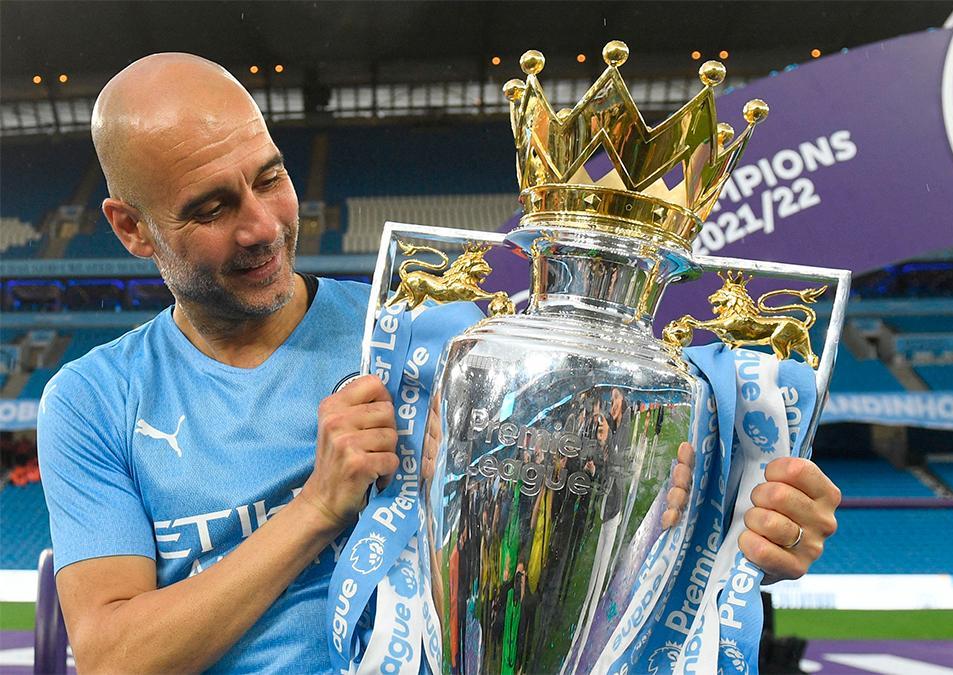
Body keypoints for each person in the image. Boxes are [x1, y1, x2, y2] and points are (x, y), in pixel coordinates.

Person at [37, 53, 842, 672]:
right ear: (131, 227)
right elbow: (114, 655)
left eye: (270, 178)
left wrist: (729, 519)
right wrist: (318, 508)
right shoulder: (95, 397)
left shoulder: (432, 336)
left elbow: (571, 533)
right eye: (210, 208)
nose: (261, 227)